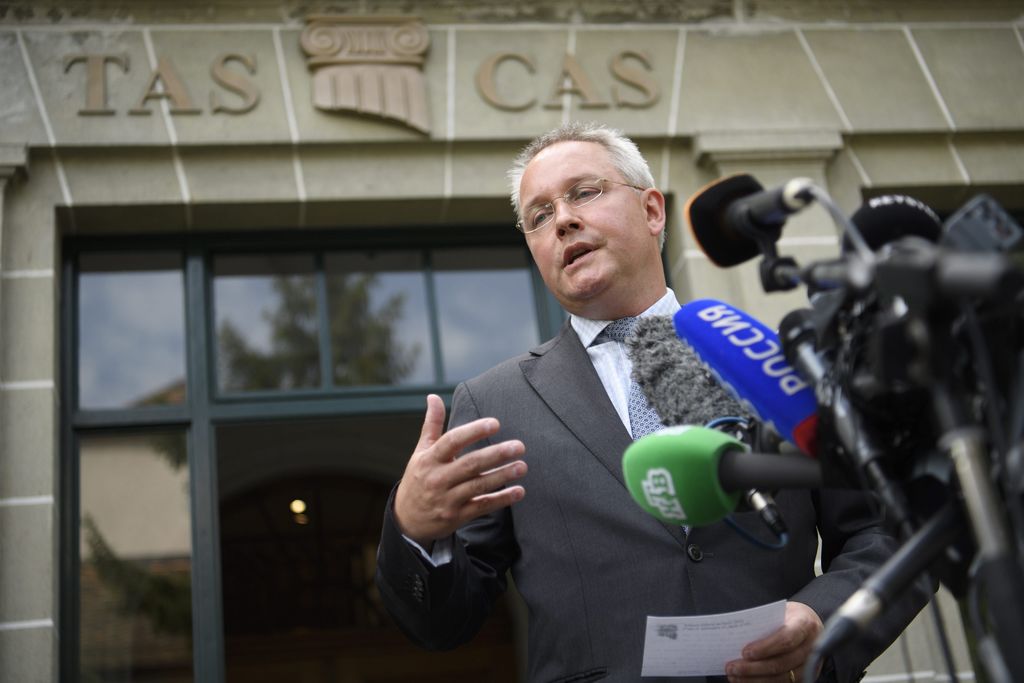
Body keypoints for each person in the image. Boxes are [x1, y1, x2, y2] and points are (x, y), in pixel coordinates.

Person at [375, 122, 925, 683]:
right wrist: (414, 529)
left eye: (584, 193)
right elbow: (444, 623)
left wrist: (823, 618)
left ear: (653, 211)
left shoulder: (776, 362)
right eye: (539, 216)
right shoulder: (495, 402)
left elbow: (887, 531)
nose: (562, 220)